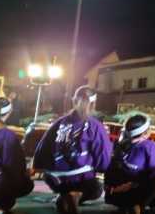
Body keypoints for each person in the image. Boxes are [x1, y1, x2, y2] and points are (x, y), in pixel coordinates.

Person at [33, 86, 112, 214]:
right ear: (93, 103)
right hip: (80, 179)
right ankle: (75, 194)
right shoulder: (95, 126)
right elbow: (103, 159)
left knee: (64, 188)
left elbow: (42, 151)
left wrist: (43, 168)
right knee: (97, 188)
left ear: (74, 100)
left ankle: (64, 196)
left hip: (55, 179)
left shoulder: (58, 123)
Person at [104, 114, 155, 214]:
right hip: (130, 194)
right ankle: (139, 205)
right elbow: (153, 171)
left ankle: (125, 206)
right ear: (145, 132)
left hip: (111, 195)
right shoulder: (149, 146)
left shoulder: (119, 144)